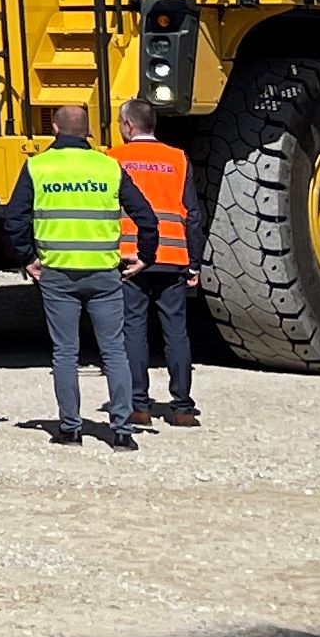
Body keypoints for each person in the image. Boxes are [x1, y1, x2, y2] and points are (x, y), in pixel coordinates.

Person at [4, 103, 161, 447]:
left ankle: (71, 429)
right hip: (104, 274)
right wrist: (145, 258)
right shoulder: (108, 167)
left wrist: (28, 258)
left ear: (55, 129)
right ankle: (122, 432)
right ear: (89, 131)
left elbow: (14, 220)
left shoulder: (37, 167)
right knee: (114, 351)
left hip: (57, 273)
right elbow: (146, 217)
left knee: (65, 353)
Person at [113, 98, 202, 428]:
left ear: (129, 125)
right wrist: (194, 262)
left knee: (133, 330)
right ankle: (182, 408)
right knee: (176, 332)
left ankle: (139, 406)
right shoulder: (177, 158)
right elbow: (192, 214)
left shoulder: (113, 158)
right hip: (174, 257)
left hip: (129, 258)